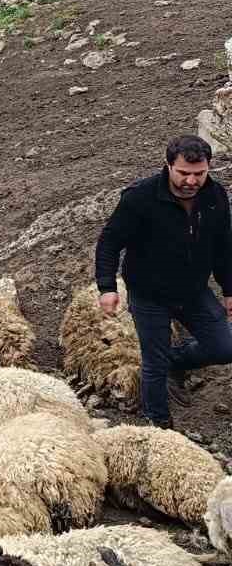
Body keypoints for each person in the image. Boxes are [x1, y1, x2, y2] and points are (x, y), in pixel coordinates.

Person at [95, 133, 232, 427]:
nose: (192, 181)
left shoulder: (215, 197)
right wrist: (107, 287)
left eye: (199, 173)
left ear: (208, 167)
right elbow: (109, 242)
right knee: (153, 363)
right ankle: (159, 424)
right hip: (149, 295)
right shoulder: (140, 198)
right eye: (184, 173)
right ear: (168, 166)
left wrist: (229, 289)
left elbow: (223, 246)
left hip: (193, 291)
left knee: (225, 347)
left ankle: (177, 360)